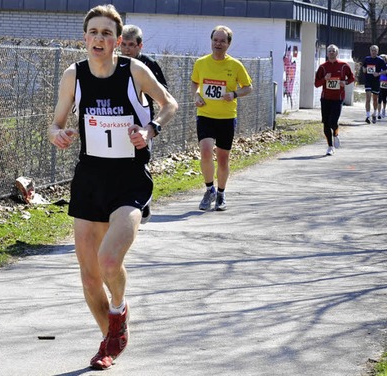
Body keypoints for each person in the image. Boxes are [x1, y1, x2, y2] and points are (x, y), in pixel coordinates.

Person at [47, 4, 178, 370]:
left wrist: (150, 129)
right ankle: (111, 340)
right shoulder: (73, 75)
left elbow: (170, 104)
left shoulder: (134, 71)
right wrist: (58, 134)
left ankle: (119, 311)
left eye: (107, 33)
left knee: (108, 261)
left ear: (118, 41)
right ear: (85, 38)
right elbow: (54, 123)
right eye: (94, 33)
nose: (100, 39)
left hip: (129, 180)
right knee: (90, 280)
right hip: (89, 179)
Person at [191, 25, 252, 211]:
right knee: (206, 151)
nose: (218, 44)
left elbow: (248, 87)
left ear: (228, 44)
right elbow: (194, 83)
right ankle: (209, 189)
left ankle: (221, 193)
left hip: (226, 117)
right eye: (215, 40)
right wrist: (196, 95)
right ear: (211, 41)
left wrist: (234, 94)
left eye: (222, 41)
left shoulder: (235, 65)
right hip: (206, 115)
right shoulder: (201, 63)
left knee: (223, 159)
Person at [120, 24, 169, 224]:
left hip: (142, 125)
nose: (126, 49)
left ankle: (143, 201)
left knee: (140, 164)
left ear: (140, 46)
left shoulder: (149, 65)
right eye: (123, 44)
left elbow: (164, 94)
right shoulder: (113, 64)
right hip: (118, 122)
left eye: (131, 45)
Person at [314, 44, 355, 156]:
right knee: (326, 123)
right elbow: (316, 84)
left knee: (333, 121)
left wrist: (345, 82)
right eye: (329, 51)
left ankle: (336, 134)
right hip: (325, 98)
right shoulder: (323, 67)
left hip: (338, 98)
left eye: (333, 51)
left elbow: (352, 78)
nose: (331, 53)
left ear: (337, 53)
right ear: (327, 53)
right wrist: (324, 79)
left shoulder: (343, 66)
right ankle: (330, 147)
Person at [360, 45, 387, 124]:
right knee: (368, 98)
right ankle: (367, 116)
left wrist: (378, 73)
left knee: (375, 99)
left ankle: (374, 113)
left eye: (375, 50)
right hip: (368, 81)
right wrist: (364, 70)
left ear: (377, 51)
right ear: (370, 51)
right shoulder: (367, 59)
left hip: (376, 81)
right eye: (372, 50)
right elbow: (364, 68)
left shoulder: (380, 60)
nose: (373, 52)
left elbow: (385, 71)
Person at [379, 55, 387, 120]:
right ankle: (380, 111)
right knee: (380, 97)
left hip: (386, 82)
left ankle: (384, 109)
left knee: (384, 98)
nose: (382, 59)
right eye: (381, 58)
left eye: (384, 58)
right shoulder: (378, 66)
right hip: (380, 83)